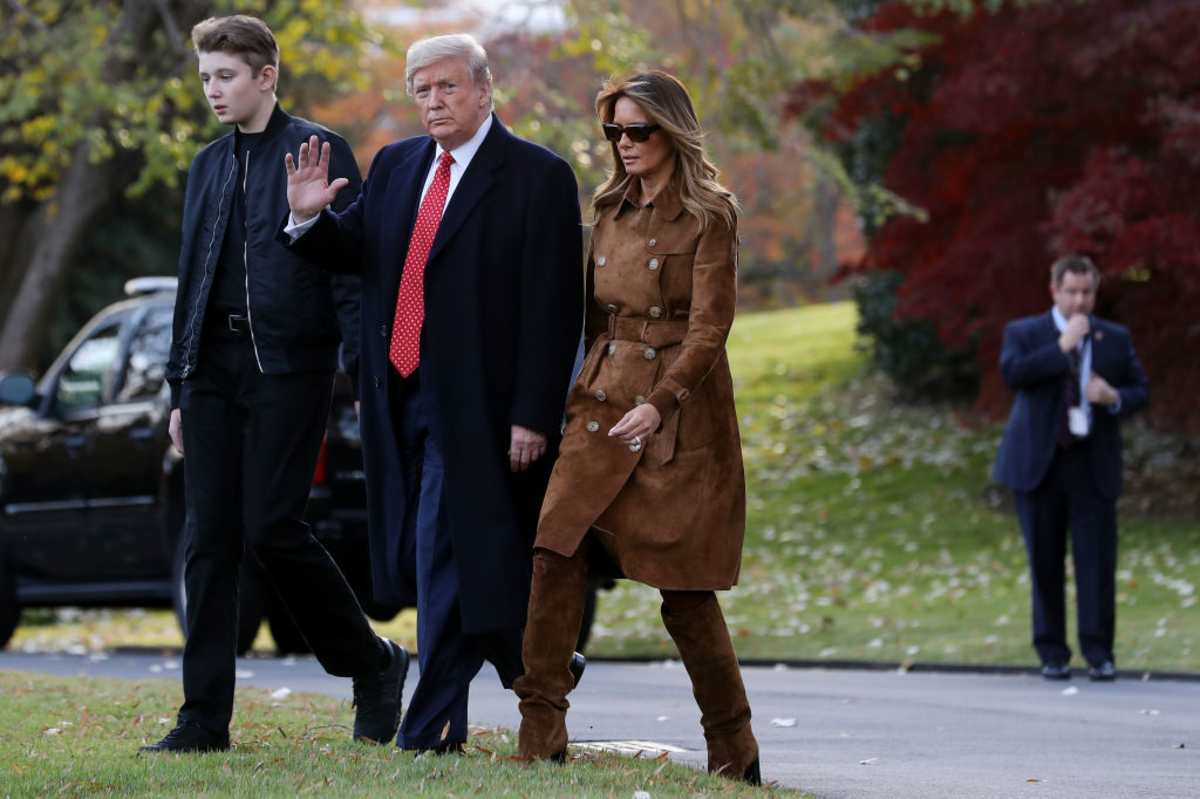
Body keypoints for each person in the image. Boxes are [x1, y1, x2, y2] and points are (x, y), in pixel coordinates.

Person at [281, 34, 583, 753]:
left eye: (447, 86)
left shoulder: (537, 175)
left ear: (484, 89)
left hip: (482, 406)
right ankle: (530, 655)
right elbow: (357, 253)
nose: (434, 101)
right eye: (421, 90)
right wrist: (310, 220)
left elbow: (553, 308)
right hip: (398, 396)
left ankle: (429, 728)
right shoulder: (397, 165)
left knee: (445, 552)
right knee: (428, 556)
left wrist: (534, 412)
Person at [148, 15, 408, 754]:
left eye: (225, 76)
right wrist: (179, 385)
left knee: (271, 528)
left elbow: (351, 267)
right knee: (207, 539)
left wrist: (359, 369)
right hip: (210, 372)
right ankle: (202, 720)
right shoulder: (206, 164)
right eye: (206, 77)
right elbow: (190, 278)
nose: (213, 90)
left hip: (290, 367)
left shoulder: (319, 150)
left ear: (266, 76)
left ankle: (372, 661)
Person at [513, 71, 761, 784]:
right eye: (614, 131)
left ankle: (734, 750)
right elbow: (593, 317)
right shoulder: (608, 209)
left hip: (677, 415)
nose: (624, 143)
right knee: (554, 553)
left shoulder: (710, 214)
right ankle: (540, 735)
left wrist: (662, 402)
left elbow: (710, 327)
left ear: (671, 131)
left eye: (638, 130)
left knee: (683, 589)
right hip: (599, 404)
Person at [993, 255, 1149, 682]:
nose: (1079, 301)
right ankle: (1052, 653)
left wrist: (1112, 397)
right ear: (1054, 291)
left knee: (1096, 563)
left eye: (1087, 292)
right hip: (1039, 465)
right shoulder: (1024, 333)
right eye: (1071, 292)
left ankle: (1099, 654)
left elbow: (1140, 390)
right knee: (1045, 562)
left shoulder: (1114, 338)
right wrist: (1061, 347)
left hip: (1092, 465)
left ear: (1095, 293)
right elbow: (1014, 374)